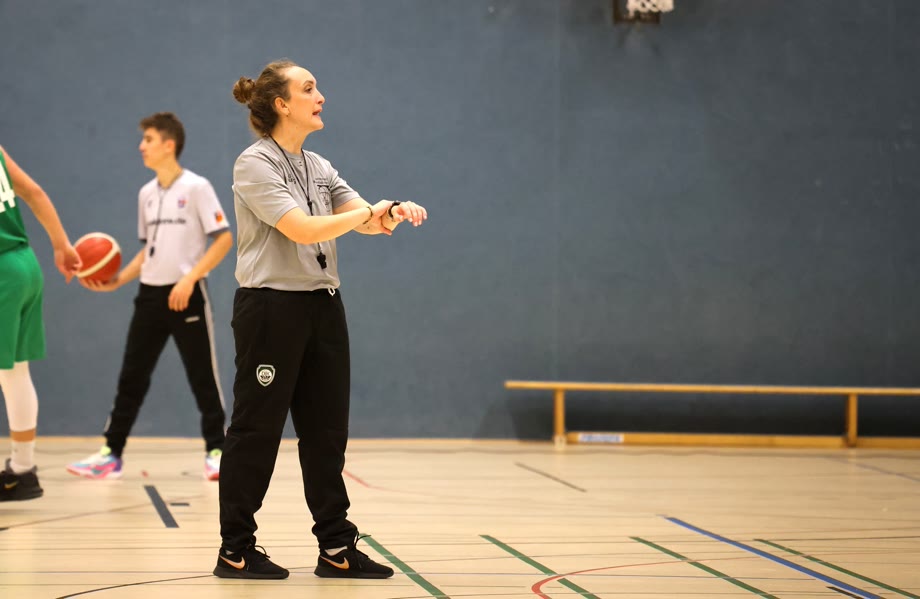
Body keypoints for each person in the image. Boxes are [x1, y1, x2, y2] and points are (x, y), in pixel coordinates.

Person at [214, 60, 427, 580]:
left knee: (327, 432)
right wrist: (367, 214)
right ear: (282, 104)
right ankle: (235, 548)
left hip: (323, 305)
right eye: (309, 89)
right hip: (271, 308)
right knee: (256, 430)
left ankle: (336, 547)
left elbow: (364, 220)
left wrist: (391, 212)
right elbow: (304, 229)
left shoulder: (318, 165)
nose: (321, 96)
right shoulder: (253, 164)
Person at [66, 113, 233, 481]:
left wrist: (190, 279)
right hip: (149, 296)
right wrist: (117, 280)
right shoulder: (146, 194)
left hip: (186, 295)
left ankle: (217, 451)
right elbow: (149, 250)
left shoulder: (197, 187)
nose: (141, 146)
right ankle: (111, 454)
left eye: (148, 139)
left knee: (203, 377)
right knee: (132, 377)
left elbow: (223, 239)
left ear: (169, 145)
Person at [0, 145, 81, 501]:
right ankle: (22, 471)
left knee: (12, 374)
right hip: (25, 265)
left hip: (3, 272)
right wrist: (61, 245)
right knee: (15, 373)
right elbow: (33, 192)